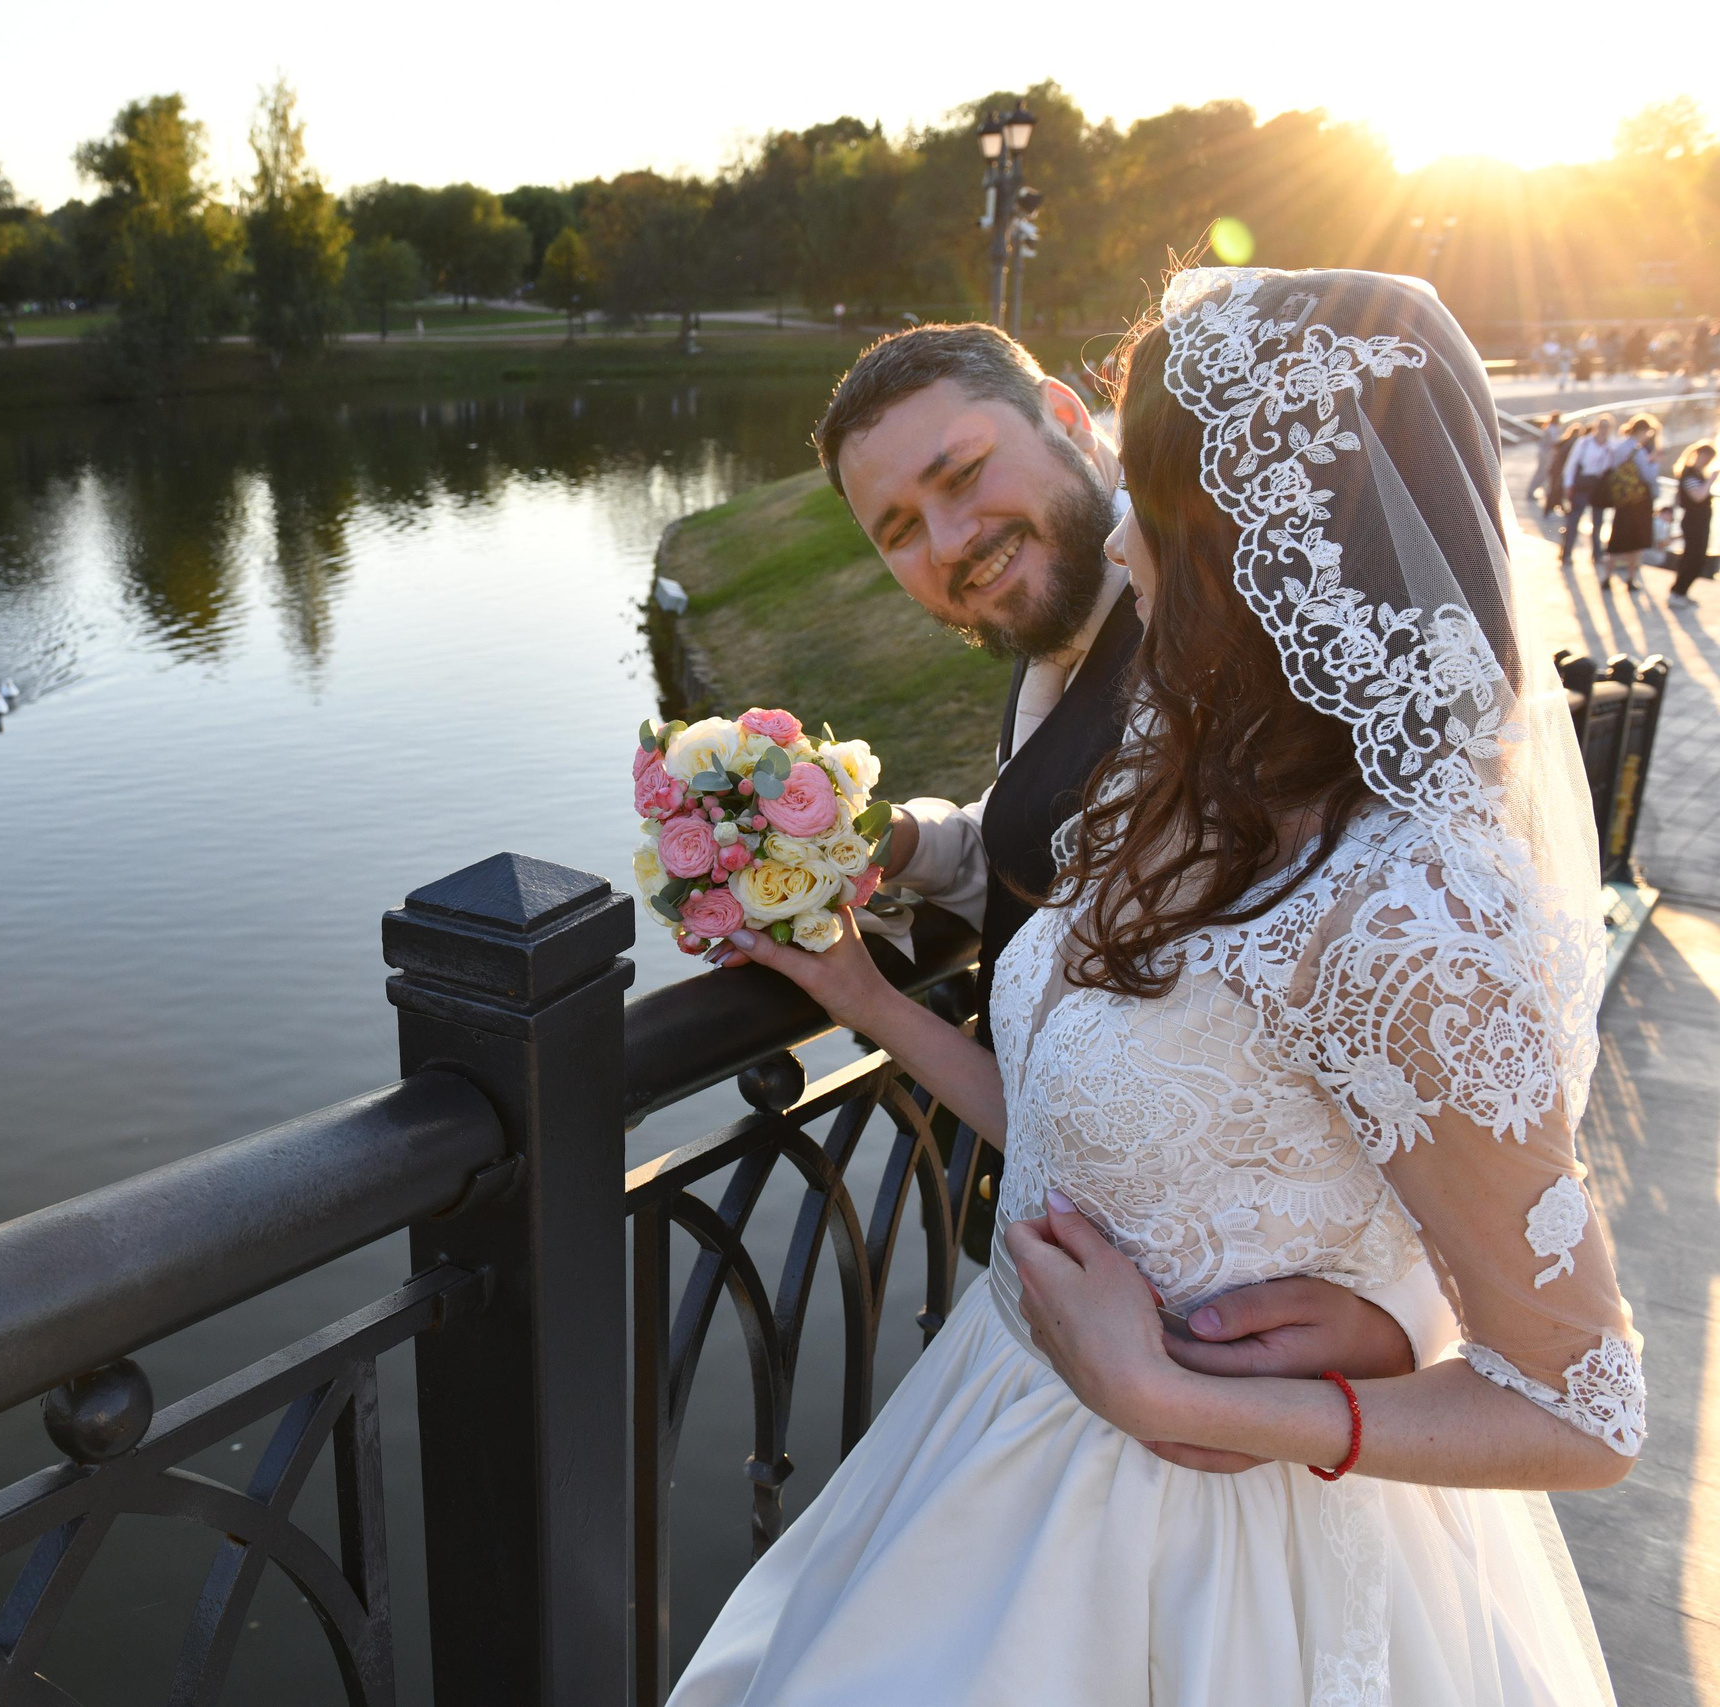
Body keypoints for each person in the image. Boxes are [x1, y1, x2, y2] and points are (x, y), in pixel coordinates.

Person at [677, 268, 1636, 1706]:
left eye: (1156, 501)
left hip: (1230, 1561)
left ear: (1276, 535)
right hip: (1002, 1438)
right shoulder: (1174, 773)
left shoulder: (1413, 909)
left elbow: (1586, 1403)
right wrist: (869, 997)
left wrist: (1196, 1385)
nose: (1123, 534)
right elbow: (1105, 1123)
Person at [723, 318, 1450, 1424]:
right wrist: (897, 846)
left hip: (1223, 1376)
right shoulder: (1062, 628)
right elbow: (1054, 856)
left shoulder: (1227, 656)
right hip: (1074, 1292)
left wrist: (1408, 1301)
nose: (951, 539)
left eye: (961, 473)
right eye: (899, 531)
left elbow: (1423, 982)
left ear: (1067, 416)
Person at [1596, 414, 1662, 593]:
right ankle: (1631, 579)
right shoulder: (1637, 449)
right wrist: (1654, 462)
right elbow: (1647, 475)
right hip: (1638, 503)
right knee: (1635, 544)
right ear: (1643, 431)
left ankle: (1606, 578)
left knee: (1616, 542)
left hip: (1622, 499)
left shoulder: (1619, 446)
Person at [1559, 414, 1624, 569]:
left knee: (1598, 521)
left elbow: (1616, 464)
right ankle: (1566, 553)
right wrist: (1568, 484)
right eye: (1601, 426)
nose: (1603, 430)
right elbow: (1571, 464)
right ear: (1596, 427)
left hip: (1600, 485)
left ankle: (1597, 554)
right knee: (1574, 519)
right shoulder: (1584, 443)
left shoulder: (1612, 446)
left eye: (1607, 427)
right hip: (1583, 483)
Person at [1670, 439, 1714, 604]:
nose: (1707, 461)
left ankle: (1680, 591)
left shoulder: (1695, 473)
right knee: (1694, 558)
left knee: (1693, 557)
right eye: (1705, 457)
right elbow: (1698, 496)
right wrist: (1711, 480)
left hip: (1697, 522)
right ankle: (1677, 592)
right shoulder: (1689, 474)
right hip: (1694, 522)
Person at [1527, 410, 1566, 506]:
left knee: (1543, 473)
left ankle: (1538, 490)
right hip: (1546, 454)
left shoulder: (1549, 427)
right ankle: (1532, 491)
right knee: (1542, 473)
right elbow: (1555, 442)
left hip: (1544, 453)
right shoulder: (1552, 429)